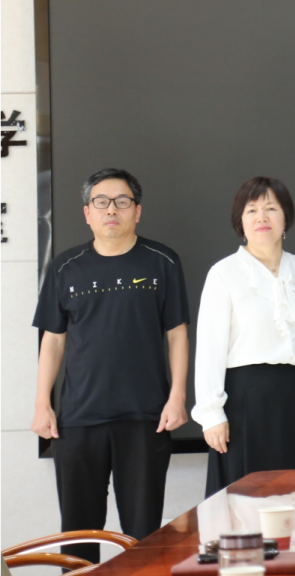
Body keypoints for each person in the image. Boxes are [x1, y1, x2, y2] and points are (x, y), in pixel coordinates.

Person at [30, 168, 190, 563]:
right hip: (78, 419)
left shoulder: (162, 261)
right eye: (101, 202)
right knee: (78, 534)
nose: (111, 210)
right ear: (87, 213)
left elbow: (177, 334)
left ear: (138, 211)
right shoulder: (65, 267)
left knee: (143, 536)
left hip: (145, 417)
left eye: (122, 201)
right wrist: (42, 404)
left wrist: (177, 397)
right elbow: (53, 340)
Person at [192, 176, 295, 495]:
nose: (262, 217)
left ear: (286, 217)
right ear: (240, 221)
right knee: (245, 501)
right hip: (245, 401)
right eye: (252, 210)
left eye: (271, 208)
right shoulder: (224, 273)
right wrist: (211, 413)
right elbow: (209, 349)